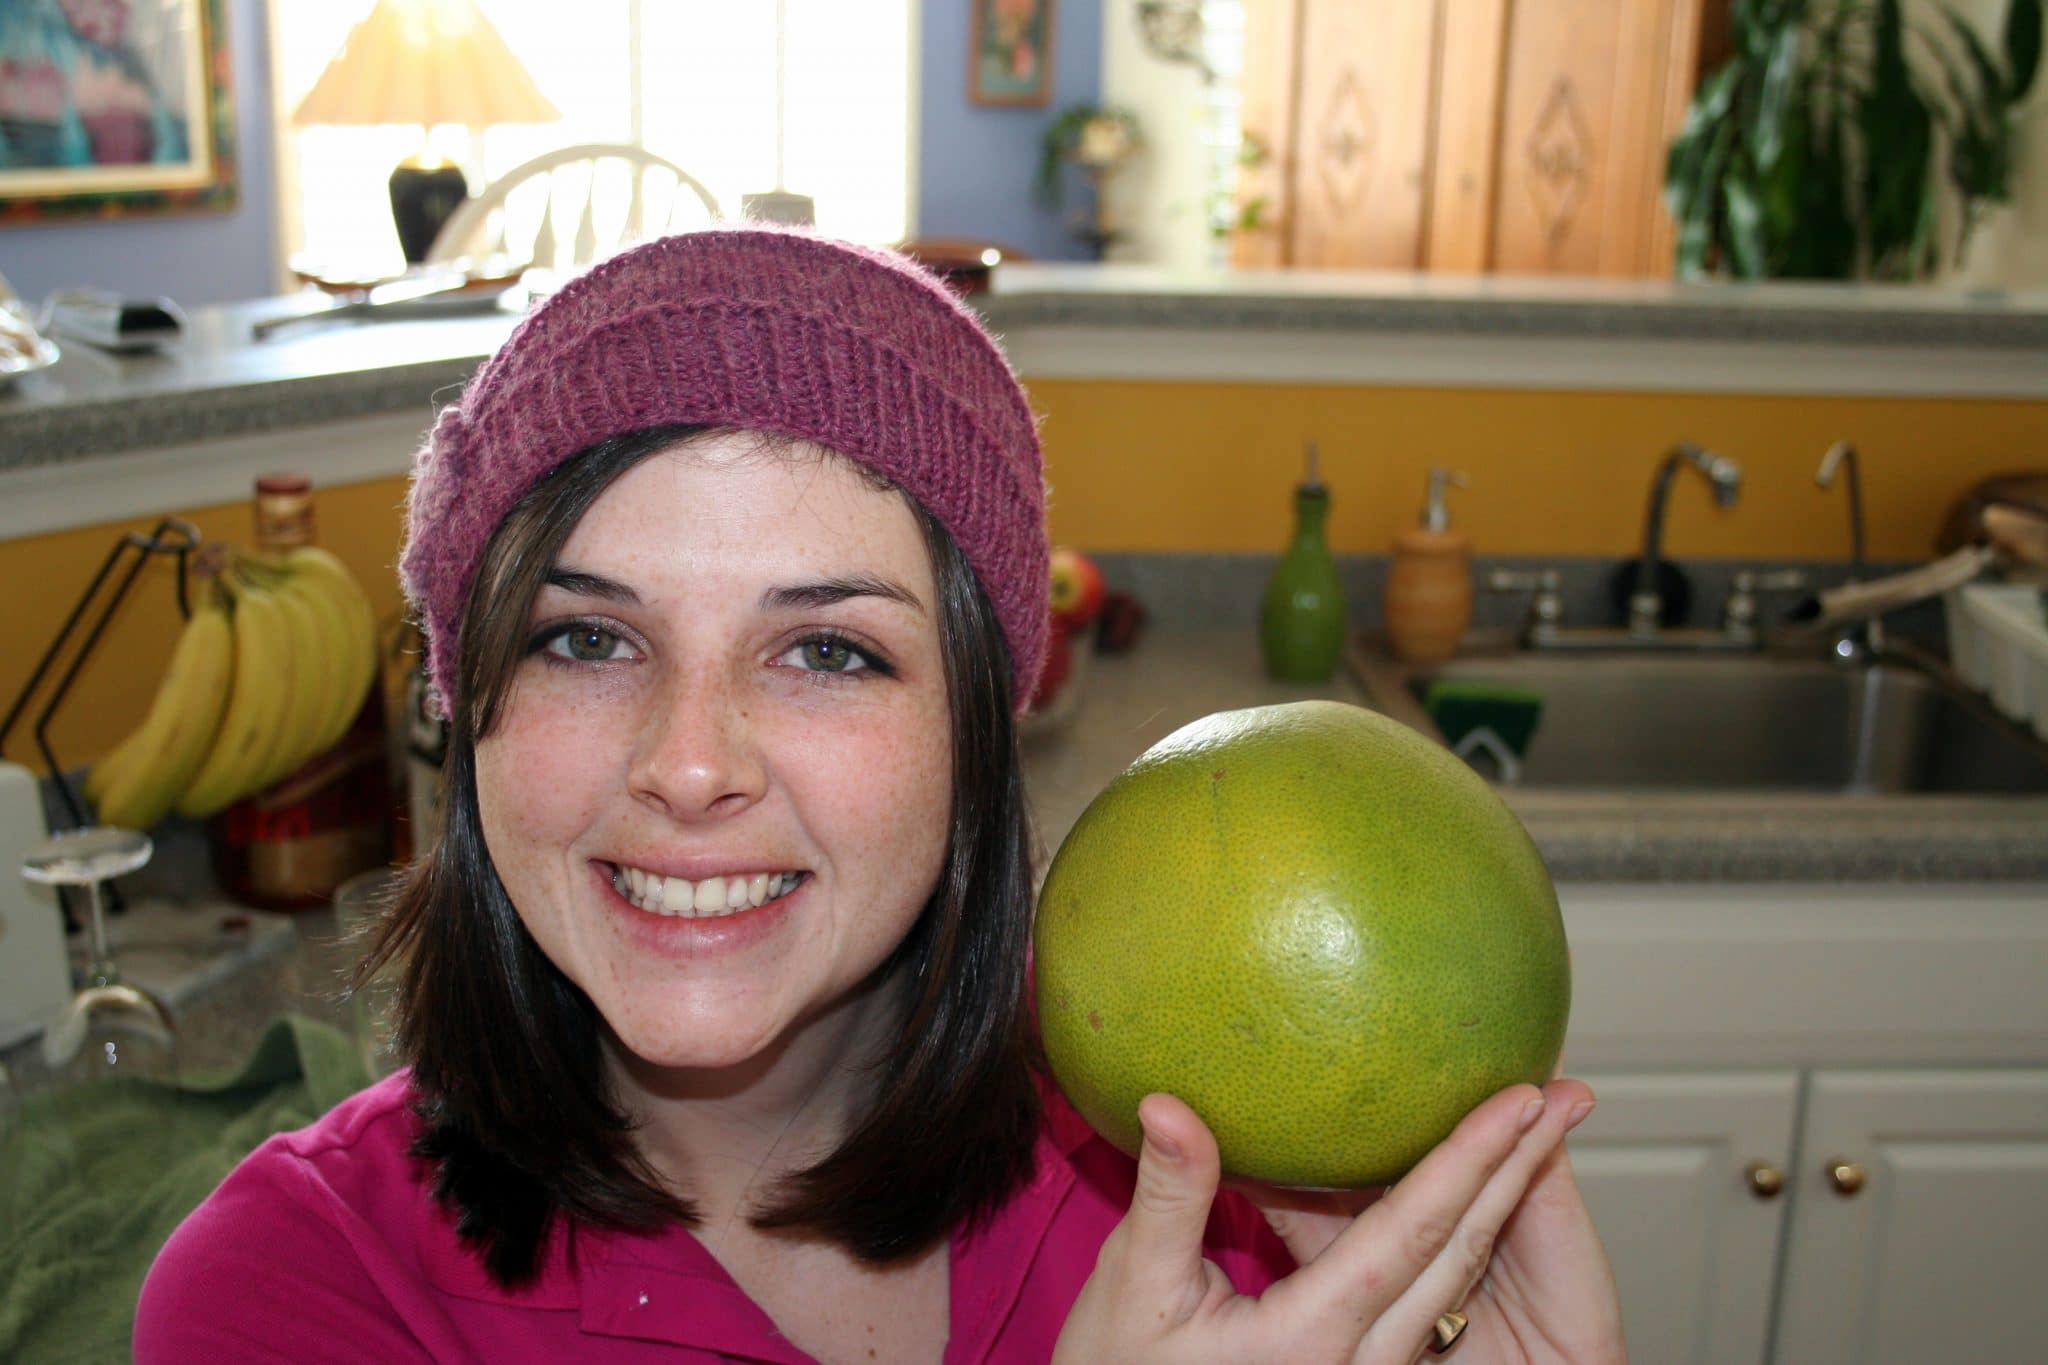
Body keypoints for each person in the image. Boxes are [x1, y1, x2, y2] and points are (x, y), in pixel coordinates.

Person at [136, 227, 1625, 1364]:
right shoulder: (294, 1294)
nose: (692, 760)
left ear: (978, 732)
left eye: (830, 650)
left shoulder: (1217, 1176)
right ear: (468, 715)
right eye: (587, 636)